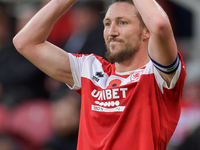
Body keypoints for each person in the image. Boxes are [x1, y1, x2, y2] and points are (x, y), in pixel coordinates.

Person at [13, 0, 187, 150]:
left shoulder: (159, 74)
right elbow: (24, 42)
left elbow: (160, 24)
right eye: (107, 23)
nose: (112, 31)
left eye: (122, 23)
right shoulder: (91, 68)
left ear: (146, 31)